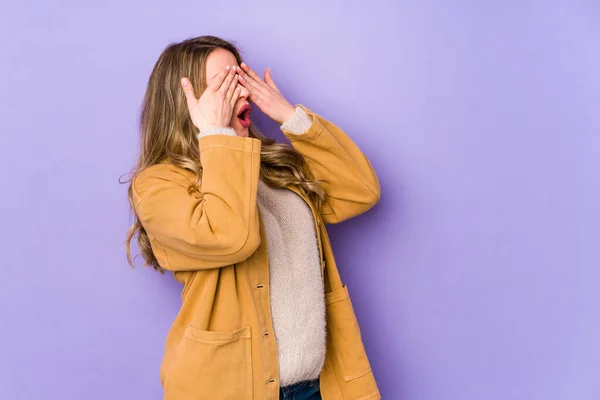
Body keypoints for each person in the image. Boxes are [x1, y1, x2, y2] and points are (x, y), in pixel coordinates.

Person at [125, 35, 381, 400]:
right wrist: (215, 134)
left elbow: (359, 190)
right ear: (187, 102)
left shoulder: (269, 168)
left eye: (240, 80)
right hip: (229, 388)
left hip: (318, 386)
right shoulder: (159, 183)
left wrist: (288, 116)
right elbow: (229, 237)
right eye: (223, 85)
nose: (240, 94)